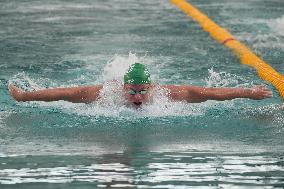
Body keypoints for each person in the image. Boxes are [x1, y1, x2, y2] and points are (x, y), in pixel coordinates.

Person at [8, 63, 273, 107]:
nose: (137, 96)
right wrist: (24, 97)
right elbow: (66, 94)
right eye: (132, 91)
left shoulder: (168, 93)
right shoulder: (105, 93)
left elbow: (211, 94)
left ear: (152, 87)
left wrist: (249, 93)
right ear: (123, 88)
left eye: (142, 91)